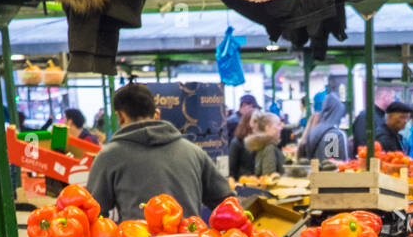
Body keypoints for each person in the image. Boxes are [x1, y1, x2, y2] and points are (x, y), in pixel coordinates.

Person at [86, 83, 233, 221]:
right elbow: (228, 203)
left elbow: (92, 214)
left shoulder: (109, 157)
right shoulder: (193, 152)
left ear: (120, 116)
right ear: (157, 114)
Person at [298, 92, 349, 161]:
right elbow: (333, 166)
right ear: (338, 111)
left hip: (315, 171)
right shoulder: (334, 135)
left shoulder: (314, 130)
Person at [245, 111, 285, 176]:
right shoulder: (269, 148)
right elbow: (269, 178)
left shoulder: (261, 145)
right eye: (278, 125)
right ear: (267, 128)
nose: (281, 128)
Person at [227, 110, 256, 180]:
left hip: (257, 182)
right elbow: (231, 168)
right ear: (248, 122)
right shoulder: (237, 142)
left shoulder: (260, 141)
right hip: (243, 183)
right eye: (255, 121)